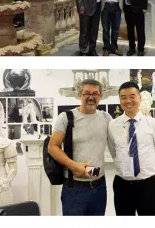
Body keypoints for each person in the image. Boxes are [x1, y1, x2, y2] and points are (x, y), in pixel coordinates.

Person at [48, 78, 112, 215]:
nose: (91, 97)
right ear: (79, 95)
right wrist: (73, 165)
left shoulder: (106, 118)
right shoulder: (66, 117)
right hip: (74, 189)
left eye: (95, 94)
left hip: (99, 187)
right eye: (86, 93)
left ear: (100, 96)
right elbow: (52, 147)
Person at [107, 81, 155, 215]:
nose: (128, 101)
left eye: (132, 96)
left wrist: (146, 168)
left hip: (147, 184)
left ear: (139, 98)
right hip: (122, 185)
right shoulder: (113, 125)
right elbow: (113, 150)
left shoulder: (153, 124)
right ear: (120, 100)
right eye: (123, 97)